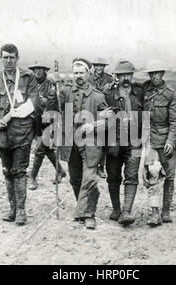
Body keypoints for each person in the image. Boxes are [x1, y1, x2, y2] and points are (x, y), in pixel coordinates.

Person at [0, 44, 39, 225]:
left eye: (12, 57)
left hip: (21, 132)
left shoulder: (27, 77)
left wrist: (7, 117)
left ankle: (22, 211)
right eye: (5, 57)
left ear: (17, 58)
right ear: (0, 58)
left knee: (20, 171)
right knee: (7, 171)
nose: (8, 61)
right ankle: (13, 209)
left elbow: (32, 104)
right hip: (1, 133)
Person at [56, 58, 114, 229]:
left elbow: (110, 121)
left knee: (89, 180)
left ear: (88, 74)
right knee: (75, 179)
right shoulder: (65, 92)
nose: (79, 76)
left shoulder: (97, 96)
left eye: (82, 73)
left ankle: (87, 214)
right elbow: (54, 106)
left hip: (91, 143)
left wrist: (94, 125)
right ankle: (85, 207)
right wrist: (54, 88)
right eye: (76, 73)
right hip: (70, 143)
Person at [141, 59, 176, 226]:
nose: (154, 76)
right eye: (151, 73)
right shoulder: (144, 90)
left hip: (166, 141)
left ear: (162, 73)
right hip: (150, 140)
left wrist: (172, 141)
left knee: (169, 176)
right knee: (152, 175)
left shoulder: (170, 94)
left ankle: (166, 210)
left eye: (157, 73)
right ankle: (154, 212)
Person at [103, 59, 143, 226]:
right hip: (114, 140)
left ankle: (126, 211)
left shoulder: (141, 91)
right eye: (122, 75)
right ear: (117, 76)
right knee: (113, 176)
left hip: (135, 140)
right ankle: (116, 209)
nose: (126, 77)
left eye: (128, 74)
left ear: (132, 75)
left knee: (132, 176)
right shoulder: (108, 94)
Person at [26, 61, 66, 190]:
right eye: (36, 69)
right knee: (46, 149)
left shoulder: (51, 84)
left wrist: (47, 101)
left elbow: (60, 101)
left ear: (45, 71)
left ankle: (32, 177)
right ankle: (60, 171)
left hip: (50, 120)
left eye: (41, 69)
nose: (38, 71)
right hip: (36, 120)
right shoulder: (30, 84)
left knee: (39, 149)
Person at [89, 57, 114, 179]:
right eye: (97, 66)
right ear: (94, 66)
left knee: (103, 140)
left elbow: (114, 92)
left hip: (105, 110)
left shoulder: (109, 79)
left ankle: (101, 166)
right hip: (92, 111)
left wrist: (110, 88)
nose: (99, 68)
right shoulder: (88, 78)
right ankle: (92, 165)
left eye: (102, 66)